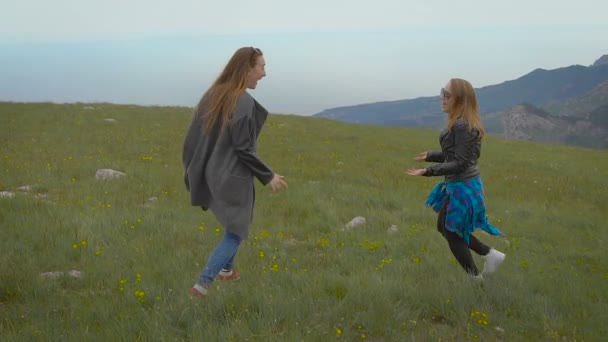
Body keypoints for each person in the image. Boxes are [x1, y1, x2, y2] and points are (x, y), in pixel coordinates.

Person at [182, 47, 288, 297]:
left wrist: (194, 169)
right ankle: (202, 285)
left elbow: (193, 138)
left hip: (212, 172)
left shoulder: (215, 94)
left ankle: (227, 271)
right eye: (261, 67)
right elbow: (243, 148)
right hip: (232, 176)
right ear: (246, 69)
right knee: (236, 232)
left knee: (235, 223)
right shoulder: (243, 101)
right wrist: (268, 175)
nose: (264, 73)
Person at [407, 78, 505, 279]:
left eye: (447, 95)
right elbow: (459, 156)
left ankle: (478, 274)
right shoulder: (462, 124)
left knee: (451, 231)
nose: (442, 98)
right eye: (442, 92)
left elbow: (460, 163)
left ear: (460, 100)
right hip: (461, 185)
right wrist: (432, 155)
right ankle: (490, 256)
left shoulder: (462, 126)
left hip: (463, 187)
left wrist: (428, 171)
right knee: (446, 228)